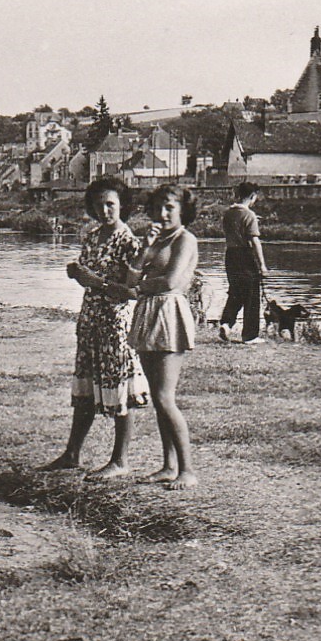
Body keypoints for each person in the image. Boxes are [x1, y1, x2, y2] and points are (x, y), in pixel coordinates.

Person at [41, 178, 148, 477]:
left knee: (119, 387)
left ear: (122, 206)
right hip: (89, 319)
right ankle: (72, 453)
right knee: (86, 385)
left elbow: (133, 292)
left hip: (114, 322)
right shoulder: (91, 237)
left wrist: (95, 282)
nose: (104, 210)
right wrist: (75, 273)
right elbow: (86, 274)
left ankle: (120, 460)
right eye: (99, 205)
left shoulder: (130, 243)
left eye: (110, 204)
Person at [129, 184, 200, 489]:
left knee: (164, 397)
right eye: (158, 206)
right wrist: (144, 251)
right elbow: (130, 276)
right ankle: (168, 466)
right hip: (148, 313)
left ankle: (188, 471)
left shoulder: (186, 239)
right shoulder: (156, 239)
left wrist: (141, 285)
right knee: (158, 398)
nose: (162, 213)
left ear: (182, 209)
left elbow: (171, 282)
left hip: (170, 315)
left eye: (170, 207)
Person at [218, 182, 269, 344]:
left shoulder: (228, 213)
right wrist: (262, 266)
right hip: (244, 256)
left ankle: (226, 323)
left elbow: (235, 228)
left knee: (236, 291)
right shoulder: (250, 216)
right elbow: (255, 242)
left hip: (230, 255)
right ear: (252, 196)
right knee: (252, 295)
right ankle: (250, 335)